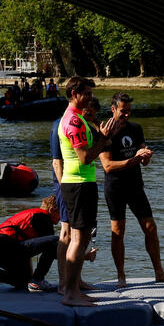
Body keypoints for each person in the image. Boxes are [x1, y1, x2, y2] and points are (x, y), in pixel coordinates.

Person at [100, 92, 164, 288]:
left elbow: (144, 162)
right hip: (115, 188)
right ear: (113, 109)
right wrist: (134, 159)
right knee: (118, 231)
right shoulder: (105, 132)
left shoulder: (135, 128)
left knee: (150, 227)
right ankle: (121, 276)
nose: (126, 115)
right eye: (123, 111)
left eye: (129, 111)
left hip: (135, 185)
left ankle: (159, 272)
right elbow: (107, 166)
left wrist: (146, 155)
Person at [58, 76, 123, 307]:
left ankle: (74, 289)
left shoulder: (75, 118)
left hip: (79, 183)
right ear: (74, 94)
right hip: (78, 184)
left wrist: (103, 138)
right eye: (87, 94)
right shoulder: (74, 121)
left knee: (81, 239)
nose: (90, 98)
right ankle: (70, 293)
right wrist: (103, 140)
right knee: (78, 240)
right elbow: (85, 157)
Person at [0, 196, 60, 292]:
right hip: (6, 247)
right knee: (55, 241)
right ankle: (38, 280)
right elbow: (55, 250)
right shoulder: (44, 217)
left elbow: (31, 248)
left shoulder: (35, 214)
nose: (63, 217)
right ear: (52, 210)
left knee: (23, 281)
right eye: (62, 212)